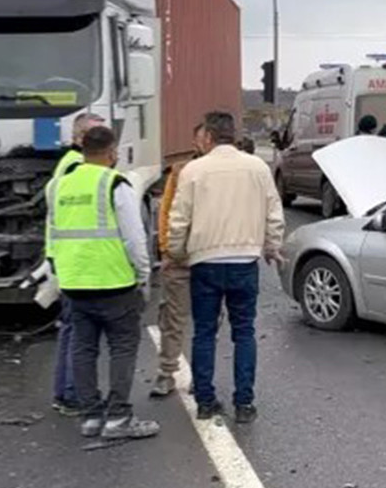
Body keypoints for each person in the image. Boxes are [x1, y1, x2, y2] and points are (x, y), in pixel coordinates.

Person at [167, 111, 284, 424]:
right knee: (244, 332)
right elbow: (274, 212)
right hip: (245, 259)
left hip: (205, 261)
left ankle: (205, 401)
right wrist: (271, 246)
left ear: (208, 136)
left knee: (204, 333)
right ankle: (244, 403)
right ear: (233, 133)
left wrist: (176, 252)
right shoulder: (257, 167)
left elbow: (178, 219)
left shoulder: (193, 171)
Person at [47, 125, 158, 440]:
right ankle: (119, 417)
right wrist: (143, 275)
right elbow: (135, 238)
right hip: (114, 282)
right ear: (112, 153)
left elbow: (52, 232)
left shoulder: (58, 185)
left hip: (74, 283)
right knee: (123, 347)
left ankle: (91, 416)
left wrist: (57, 273)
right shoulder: (115, 184)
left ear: (82, 151)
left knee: (83, 348)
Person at [50, 112, 106, 417]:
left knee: (70, 329)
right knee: (81, 335)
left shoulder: (66, 164)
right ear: (79, 138)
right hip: (81, 263)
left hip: (69, 259)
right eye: (96, 135)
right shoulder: (77, 168)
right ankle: (73, 394)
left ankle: (64, 392)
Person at [150, 124, 209, 398]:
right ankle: (166, 372)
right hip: (180, 259)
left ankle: (201, 375)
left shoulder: (221, 173)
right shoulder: (179, 171)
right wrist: (165, 250)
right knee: (172, 319)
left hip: (210, 258)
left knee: (206, 323)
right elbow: (166, 213)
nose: (205, 143)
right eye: (201, 138)